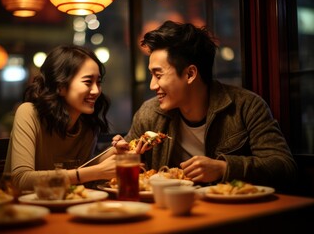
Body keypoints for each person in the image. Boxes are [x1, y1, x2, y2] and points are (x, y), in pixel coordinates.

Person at [112, 20, 297, 192]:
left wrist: (224, 168)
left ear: (190, 74)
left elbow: (283, 166)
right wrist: (124, 155)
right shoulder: (149, 113)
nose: (152, 85)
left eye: (158, 75)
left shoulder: (246, 106)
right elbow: (129, 161)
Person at [4, 45, 116, 192]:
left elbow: (80, 177)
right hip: (23, 210)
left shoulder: (87, 125)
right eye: (88, 82)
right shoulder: (28, 113)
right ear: (60, 86)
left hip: (67, 206)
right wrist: (97, 171)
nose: (96, 90)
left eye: (98, 82)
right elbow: (21, 179)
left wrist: (111, 154)